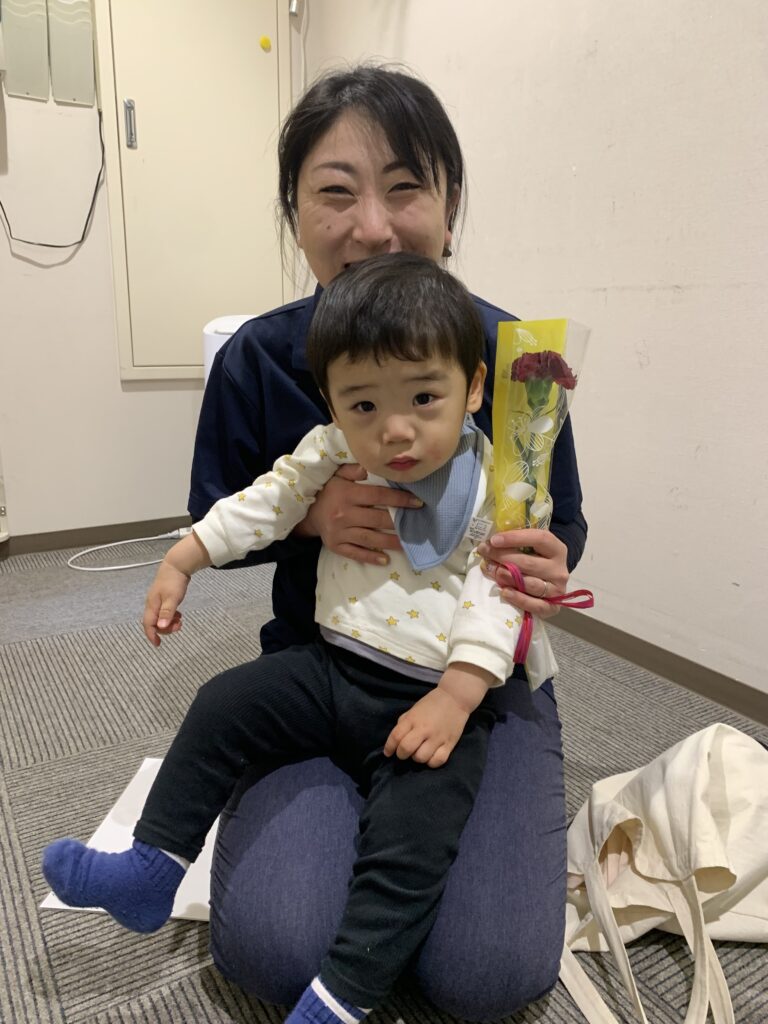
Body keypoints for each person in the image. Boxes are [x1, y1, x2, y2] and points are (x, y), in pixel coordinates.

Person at [42, 253, 560, 1022]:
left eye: (425, 397)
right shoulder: (334, 447)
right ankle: (151, 868)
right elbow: (268, 499)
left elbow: (498, 595)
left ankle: (339, 998)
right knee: (222, 704)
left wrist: (458, 697)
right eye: (363, 405)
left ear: (475, 386)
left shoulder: (498, 484)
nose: (395, 430)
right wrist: (185, 556)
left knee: (409, 851)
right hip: (329, 668)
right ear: (331, 402)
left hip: (433, 701)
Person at [185, 64, 585, 1019]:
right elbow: (214, 512)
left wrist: (548, 558)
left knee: (485, 974)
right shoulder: (258, 358)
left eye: (406, 187)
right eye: (336, 192)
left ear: (450, 207)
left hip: (475, 681)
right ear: (293, 215)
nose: (373, 226)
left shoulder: (515, 358)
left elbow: (561, 521)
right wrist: (310, 516)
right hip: (326, 665)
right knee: (278, 948)